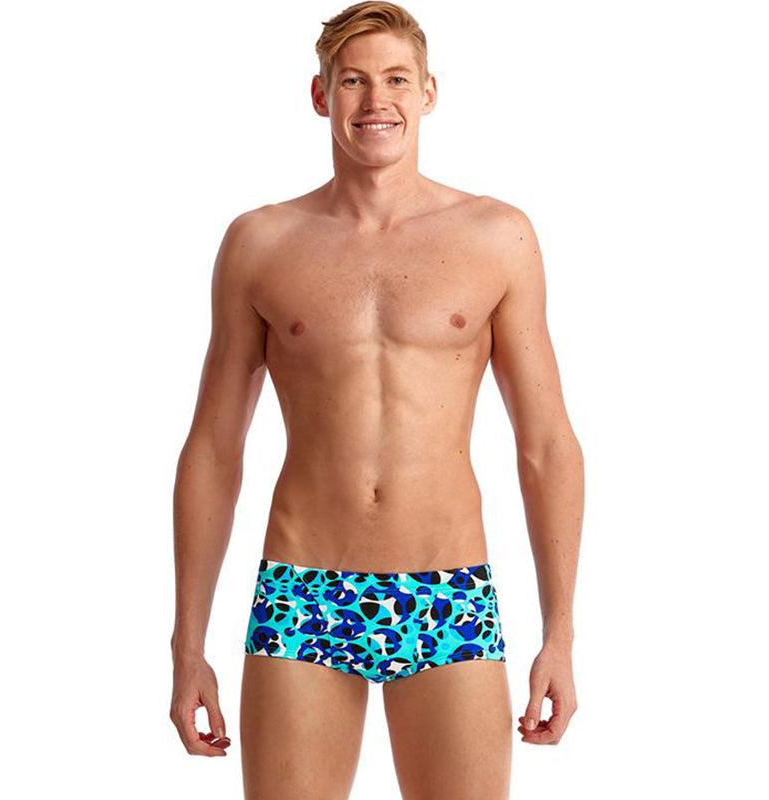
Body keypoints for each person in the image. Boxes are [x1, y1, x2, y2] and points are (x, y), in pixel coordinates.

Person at [169, 2, 583, 797]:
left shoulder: (497, 236)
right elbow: (214, 450)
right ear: (320, 95)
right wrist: (188, 646)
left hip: (448, 591)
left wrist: (559, 634)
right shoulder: (260, 241)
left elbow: (546, 445)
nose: (375, 100)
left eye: (395, 79)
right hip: (304, 589)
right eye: (353, 81)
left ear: (428, 92)